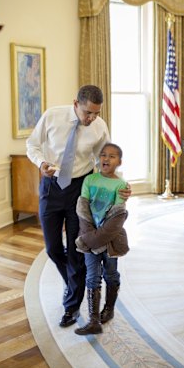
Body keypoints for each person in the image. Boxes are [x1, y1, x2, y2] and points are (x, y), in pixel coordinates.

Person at [26, 85, 131, 327]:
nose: (91, 118)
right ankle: (75, 283)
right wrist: (41, 163)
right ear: (76, 103)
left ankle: (71, 307)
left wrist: (120, 185)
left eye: (96, 113)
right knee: (53, 248)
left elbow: (106, 159)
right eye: (87, 113)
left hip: (81, 190)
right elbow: (32, 145)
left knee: (76, 251)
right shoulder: (52, 116)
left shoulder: (99, 126)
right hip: (51, 187)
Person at [73, 143, 128, 335]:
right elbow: (83, 210)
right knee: (92, 277)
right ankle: (93, 321)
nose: (106, 158)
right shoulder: (89, 179)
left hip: (110, 240)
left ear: (119, 162)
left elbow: (117, 216)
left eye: (112, 156)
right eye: (103, 155)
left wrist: (95, 240)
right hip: (89, 237)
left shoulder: (121, 185)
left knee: (111, 273)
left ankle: (109, 309)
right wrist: (91, 237)